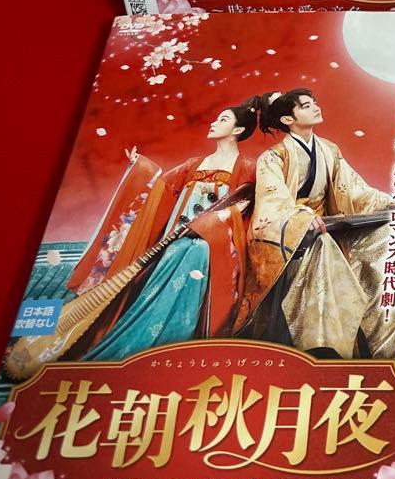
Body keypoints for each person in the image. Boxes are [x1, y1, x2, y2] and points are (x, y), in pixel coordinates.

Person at [235, 88, 395, 370]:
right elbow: (272, 202)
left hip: (329, 225)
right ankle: (325, 346)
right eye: (306, 106)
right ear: (287, 119)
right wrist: (301, 218)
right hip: (295, 235)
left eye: (315, 103)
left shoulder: (329, 150)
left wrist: (392, 204)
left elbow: (353, 190)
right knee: (323, 250)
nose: (316, 107)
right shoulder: (273, 158)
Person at [76, 99, 262, 361]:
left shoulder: (248, 169)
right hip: (176, 239)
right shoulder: (193, 164)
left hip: (215, 245)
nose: (213, 122)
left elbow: (247, 209)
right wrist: (140, 168)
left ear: (238, 130)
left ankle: (180, 339)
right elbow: (158, 189)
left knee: (194, 250)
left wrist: (208, 228)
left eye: (223, 119)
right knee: (178, 250)